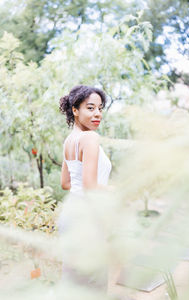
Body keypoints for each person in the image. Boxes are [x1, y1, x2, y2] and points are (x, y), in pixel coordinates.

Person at [57, 85, 114, 292]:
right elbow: (90, 187)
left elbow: (66, 183)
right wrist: (116, 191)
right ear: (75, 110)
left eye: (100, 108)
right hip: (89, 217)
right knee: (94, 284)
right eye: (90, 108)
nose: (97, 113)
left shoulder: (69, 140)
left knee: (74, 282)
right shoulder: (90, 138)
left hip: (71, 214)